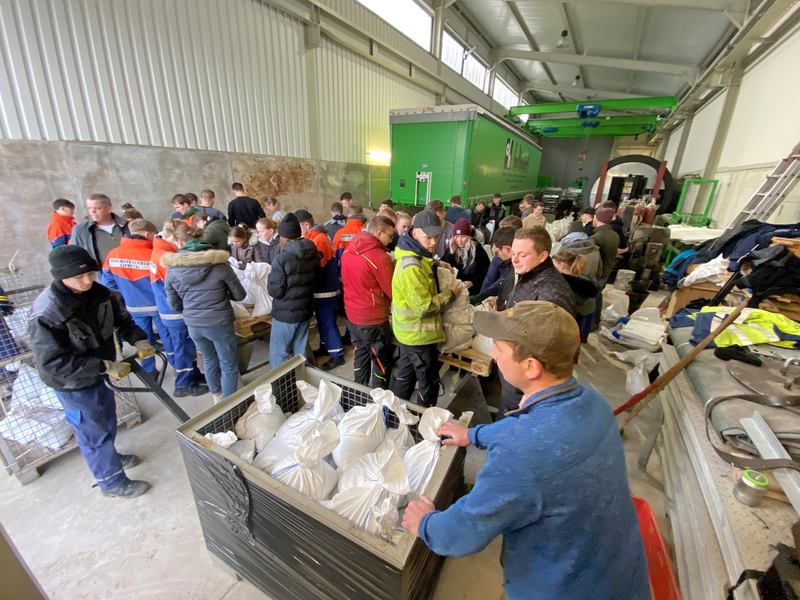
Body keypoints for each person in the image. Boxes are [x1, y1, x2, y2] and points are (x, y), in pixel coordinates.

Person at [401, 301, 649, 600]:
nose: (492, 353)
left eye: (500, 349)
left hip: (560, 589)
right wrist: (474, 434)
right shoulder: (591, 401)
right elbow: (529, 430)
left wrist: (426, 523)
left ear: (531, 367)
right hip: (620, 572)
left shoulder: (520, 457)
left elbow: (461, 535)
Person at [28, 245, 155, 498]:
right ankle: (111, 482)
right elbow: (52, 363)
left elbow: (123, 320)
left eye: (90, 274)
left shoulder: (101, 294)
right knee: (91, 430)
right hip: (72, 382)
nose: (87, 281)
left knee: (106, 419)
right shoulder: (47, 313)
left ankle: (111, 456)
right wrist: (104, 366)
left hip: (100, 373)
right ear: (61, 276)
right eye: (79, 277)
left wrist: (138, 339)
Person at [163, 226, 246, 403]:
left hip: (194, 325)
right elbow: (240, 295)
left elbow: (174, 304)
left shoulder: (172, 270)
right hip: (220, 322)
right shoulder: (220, 266)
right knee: (228, 365)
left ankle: (216, 398)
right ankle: (229, 405)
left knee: (209, 360)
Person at [391, 210, 460, 407]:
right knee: (428, 381)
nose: (432, 242)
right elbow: (425, 308)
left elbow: (422, 262)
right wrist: (451, 294)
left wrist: (437, 263)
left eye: (436, 237)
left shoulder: (415, 254)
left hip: (408, 334)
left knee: (406, 375)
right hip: (419, 337)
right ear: (415, 234)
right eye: (427, 237)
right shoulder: (411, 268)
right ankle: (423, 422)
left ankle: (395, 416)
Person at [150, 220, 207, 397]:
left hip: (168, 307)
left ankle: (192, 374)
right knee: (183, 346)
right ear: (175, 237)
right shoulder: (165, 256)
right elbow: (180, 284)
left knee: (185, 345)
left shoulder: (161, 249)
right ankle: (183, 384)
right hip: (173, 310)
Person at [101, 219, 164, 375]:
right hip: (158, 305)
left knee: (142, 342)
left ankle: (150, 371)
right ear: (148, 234)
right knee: (169, 339)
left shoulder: (113, 254)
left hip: (133, 306)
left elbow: (108, 282)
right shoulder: (153, 254)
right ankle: (180, 373)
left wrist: (126, 289)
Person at [341, 216, 395, 388]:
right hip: (373, 319)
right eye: (390, 236)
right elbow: (391, 291)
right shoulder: (379, 257)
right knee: (380, 361)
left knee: (360, 355)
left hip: (352, 315)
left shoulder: (349, 250)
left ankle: (357, 396)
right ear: (379, 232)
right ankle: (378, 402)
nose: (391, 240)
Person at [267, 214, 320, 369]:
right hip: (305, 309)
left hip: (285, 313)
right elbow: (317, 281)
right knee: (301, 349)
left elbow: (275, 290)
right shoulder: (312, 254)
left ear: (282, 237)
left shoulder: (281, 258)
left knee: (279, 353)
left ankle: (282, 387)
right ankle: (304, 383)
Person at [295, 210, 345, 371]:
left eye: (298, 227)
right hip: (321, 290)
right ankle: (327, 347)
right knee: (324, 323)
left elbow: (318, 267)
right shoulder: (314, 238)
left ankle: (337, 355)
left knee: (327, 323)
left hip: (326, 290)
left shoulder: (319, 240)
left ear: (306, 225)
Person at [497, 227, 575, 315]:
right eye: (513, 254)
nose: (514, 260)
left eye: (522, 255)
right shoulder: (527, 273)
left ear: (543, 256)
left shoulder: (552, 297)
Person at [552, 250, 601, 343]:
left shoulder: (563, 285)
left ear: (561, 265)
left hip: (570, 325)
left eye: (553, 265)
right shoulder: (585, 280)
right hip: (584, 320)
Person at [71, 193, 130, 268]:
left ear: (108, 209)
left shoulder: (128, 226)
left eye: (97, 208)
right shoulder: (80, 230)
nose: (92, 212)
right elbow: (76, 258)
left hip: (127, 276)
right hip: (100, 277)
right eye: (89, 208)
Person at [590, 207, 621, 330]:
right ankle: (596, 320)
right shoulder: (615, 235)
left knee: (591, 300)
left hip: (598, 274)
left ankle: (592, 323)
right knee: (598, 296)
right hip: (607, 271)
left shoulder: (597, 237)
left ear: (596, 219)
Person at [442, 218, 490, 292]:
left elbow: (485, 271)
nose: (460, 240)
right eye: (457, 237)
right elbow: (445, 269)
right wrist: (451, 253)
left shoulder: (478, 251)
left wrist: (473, 282)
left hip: (472, 290)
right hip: (455, 289)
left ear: (469, 237)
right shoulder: (451, 249)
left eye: (463, 236)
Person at [479, 226, 515, 300]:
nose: (498, 256)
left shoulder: (517, 269)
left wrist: (480, 297)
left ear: (506, 249)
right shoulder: (509, 265)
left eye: (498, 252)